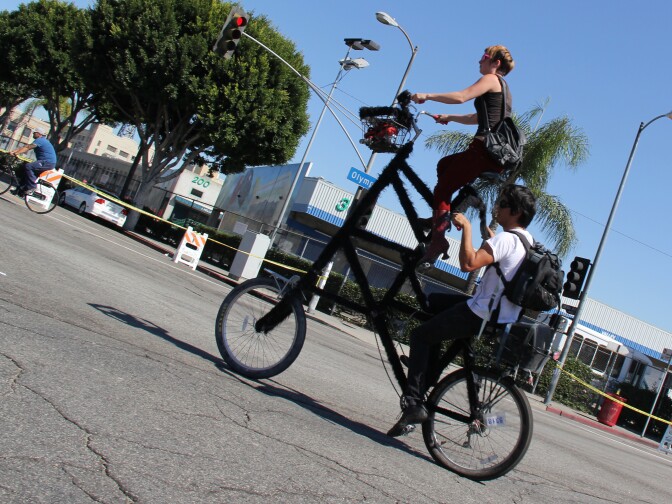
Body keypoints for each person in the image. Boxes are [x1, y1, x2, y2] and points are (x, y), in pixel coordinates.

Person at [387, 184, 536, 437]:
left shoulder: (506, 239)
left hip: (480, 313)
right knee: (434, 302)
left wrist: (466, 228)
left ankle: (413, 402)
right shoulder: (526, 241)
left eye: (502, 204)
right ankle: (426, 372)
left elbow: (468, 264)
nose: (497, 208)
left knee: (421, 336)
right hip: (499, 315)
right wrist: (489, 241)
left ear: (516, 211)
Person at [411, 45, 515, 264]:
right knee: (445, 165)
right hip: (489, 155)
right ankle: (442, 216)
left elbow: (461, 96)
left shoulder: (491, 79)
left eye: (484, 57)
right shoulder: (504, 89)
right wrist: (449, 117)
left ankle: (438, 239)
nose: (479, 61)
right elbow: (477, 118)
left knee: (443, 188)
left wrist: (427, 95)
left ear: (495, 63)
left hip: (481, 152)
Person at [9, 127, 57, 197]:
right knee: (26, 173)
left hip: (47, 162)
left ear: (38, 134)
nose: (33, 134)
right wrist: (14, 151)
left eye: (34, 133)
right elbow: (26, 146)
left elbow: (28, 148)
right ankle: (20, 191)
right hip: (46, 162)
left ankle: (32, 187)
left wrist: (16, 153)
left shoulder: (40, 140)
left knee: (28, 166)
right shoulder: (41, 140)